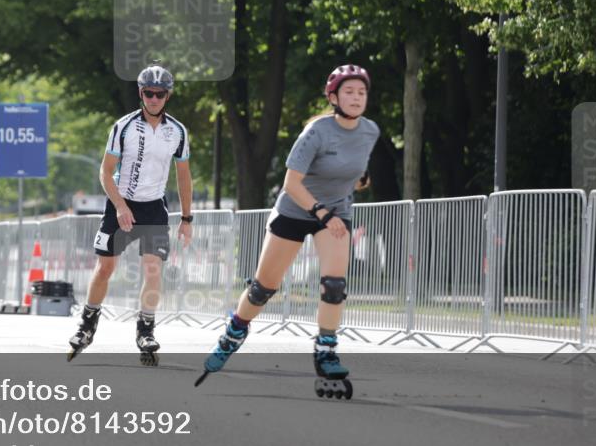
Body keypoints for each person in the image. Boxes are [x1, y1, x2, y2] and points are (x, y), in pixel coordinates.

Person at [196, 65, 380, 398]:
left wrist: (358, 181)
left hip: (336, 214)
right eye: (349, 92)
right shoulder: (316, 132)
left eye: (361, 92)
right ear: (334, 97)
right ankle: (234, 331)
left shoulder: (370, 132)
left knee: (334, 285)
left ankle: (326, 349)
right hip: (295, 209)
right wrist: (320, 210)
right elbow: (291, 184)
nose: (356, 98)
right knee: (264, 288)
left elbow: (353, 170)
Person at [68, 65, 193, 365]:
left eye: (159, 94)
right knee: (105, 268)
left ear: (167, 96)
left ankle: (145, 329)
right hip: (120, 202)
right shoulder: (123, 127)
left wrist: (187, 219)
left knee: (153, 269)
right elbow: (105, 172)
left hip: (153, 207)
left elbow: (184, 176)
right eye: (148, 93)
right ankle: (87, 325)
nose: (153, 99)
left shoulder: (177, 131)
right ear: (141, 93)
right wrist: (121, 206)